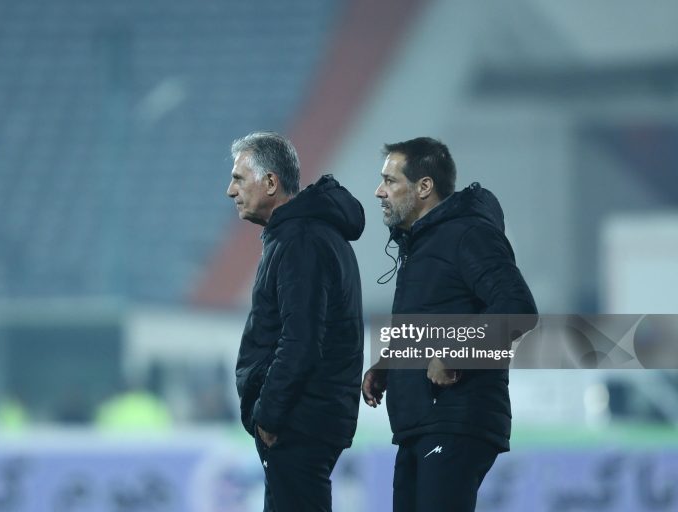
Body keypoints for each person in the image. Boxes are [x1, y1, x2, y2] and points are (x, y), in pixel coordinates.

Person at [362, 137, 537, 512]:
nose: (379, 192)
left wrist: (456, 354)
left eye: (390, 181)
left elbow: (518, 307)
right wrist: (391, 363)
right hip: (421, 422)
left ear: (424, 187)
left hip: (455, 418)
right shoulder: (421, 244)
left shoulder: (468, 234)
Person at [227, 131, 365, 512]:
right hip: (309, 415)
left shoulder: (300, 240)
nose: (230, 190)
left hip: (299, 420)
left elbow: (301, 340)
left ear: (270, 182)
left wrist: (270, 414)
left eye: (239, 178)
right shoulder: (304, 234)